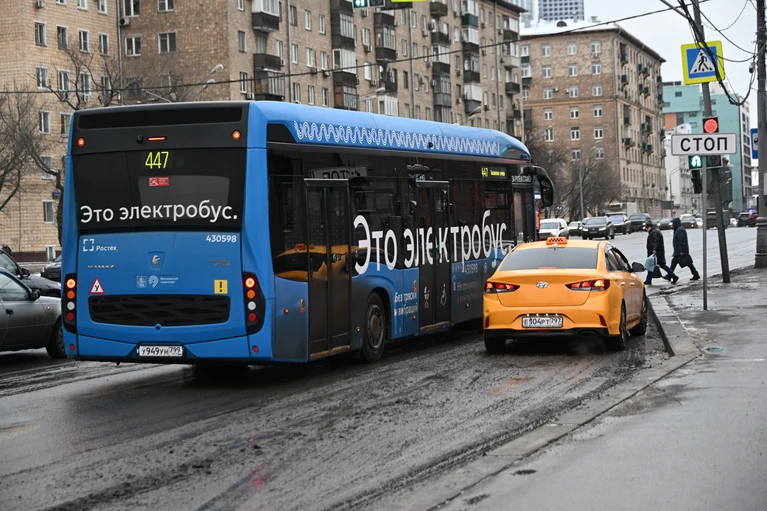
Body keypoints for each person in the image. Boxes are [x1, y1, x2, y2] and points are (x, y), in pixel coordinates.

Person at [644, 219, 678, 285]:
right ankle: (648, 280)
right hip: (658, 253)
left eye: (647, 228)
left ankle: (674, 276)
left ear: (649, 227)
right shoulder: (655, 231)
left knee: (659, 265)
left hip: (657, 253)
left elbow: (656, 242)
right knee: (652, 265)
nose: (646, 230)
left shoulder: (654, 232)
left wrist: (654, 249)